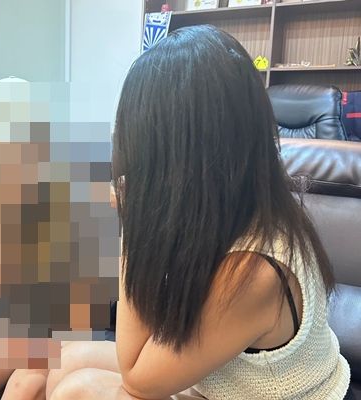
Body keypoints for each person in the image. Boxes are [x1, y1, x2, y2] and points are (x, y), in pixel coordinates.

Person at [45, 25, 353, 399]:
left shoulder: (255, 270)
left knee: (77, 390)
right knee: (63, 360)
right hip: (224, 378)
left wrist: (136, 220)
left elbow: (137, 378)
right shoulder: (232, 207)